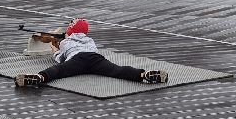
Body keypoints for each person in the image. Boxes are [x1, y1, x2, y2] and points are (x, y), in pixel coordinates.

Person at [14, 19, 169, 87]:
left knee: (57, 71)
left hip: (78, 60)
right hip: (96, 59)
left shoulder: (66, 42)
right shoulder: (90, 40)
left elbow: (59, 59)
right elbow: (76, 38)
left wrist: (54, 47)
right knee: (118, 70)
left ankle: (40, 77)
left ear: (69, 32)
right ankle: (144, 75)